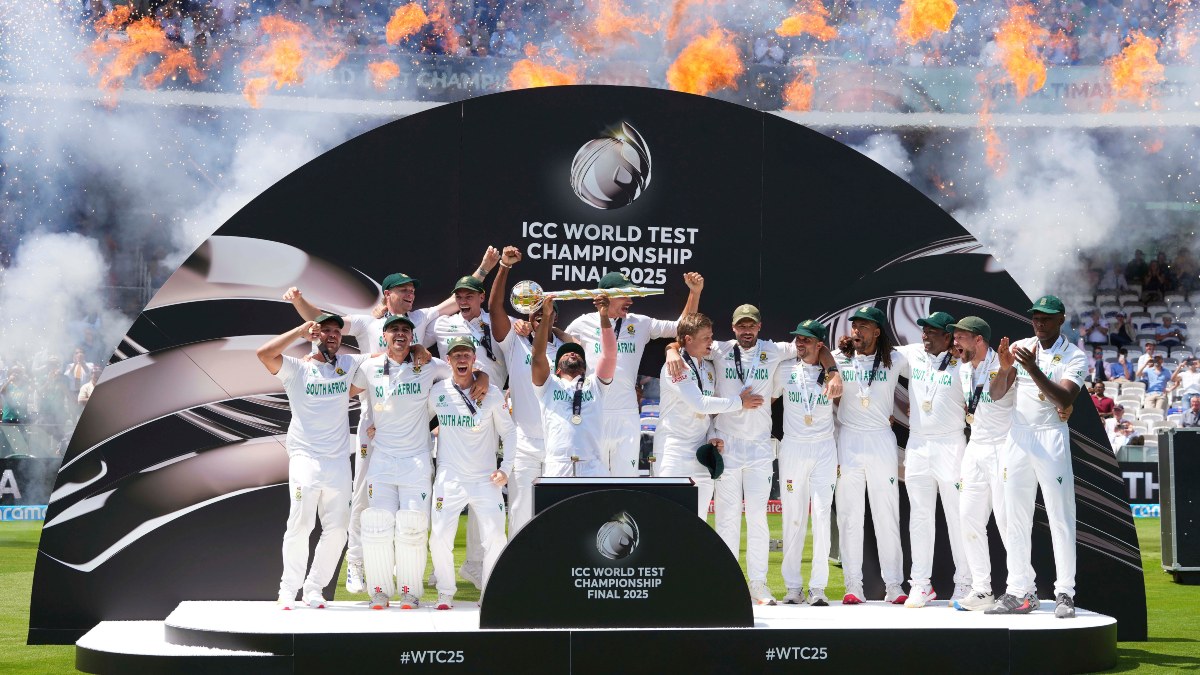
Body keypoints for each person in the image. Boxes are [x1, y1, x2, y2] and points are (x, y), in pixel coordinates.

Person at [284, 248, 497, 595]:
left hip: (413, 415)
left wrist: (485, 268)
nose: (411, 294)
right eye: (404, 290)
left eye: (413, 290)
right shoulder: (369, 322)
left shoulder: (423, 318)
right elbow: (324, 321)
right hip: (374, 419)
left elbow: (454, 301)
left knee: (412, 504)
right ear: (388, 295)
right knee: (363, 498)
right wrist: (299, 302)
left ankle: (403, 568)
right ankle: (356, 563)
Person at [674, 304, 841, 606]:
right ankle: (726, 581)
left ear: (760, 327)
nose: (746, 331)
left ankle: (758, 585)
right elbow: (682, 342)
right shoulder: (720, 349)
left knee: (757, 518)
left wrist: (831, 370)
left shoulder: (775, 350)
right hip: (727, 443)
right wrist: (672, 352)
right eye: (741, 326)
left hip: (761, 448)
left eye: (751, 325)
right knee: (725, 518)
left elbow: (819, 345)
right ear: (734, 327)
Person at [256, 314, 368, 609]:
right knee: (301, 523)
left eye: (336, 331)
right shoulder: (296, 368)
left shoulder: (348, 365)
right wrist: (299, 331)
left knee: (337, 529)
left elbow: (388, 357)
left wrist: (419, 351)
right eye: (325, 330)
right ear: (314, 334)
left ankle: (315, 587)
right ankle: (287, 590)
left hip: (338, 461)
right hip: (306, 457)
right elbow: (264, 354)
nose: (332, 335)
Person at [351, 315, 462, 610]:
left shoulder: (429, 365)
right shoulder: (371, 367)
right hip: (382, 459)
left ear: (413, 337)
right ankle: (379, 591)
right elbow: (345, 390)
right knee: (377, 528)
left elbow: (463, 374)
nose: (400, 334)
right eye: (394, 330)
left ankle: (410, 592)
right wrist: (369, 423)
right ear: (384, 336)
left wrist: (486, 378)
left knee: (412, 529)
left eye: (405, 330)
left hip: (416, 460)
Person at [985, 295, 1085, 619]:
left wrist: (1033, 368)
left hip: (1050, 435)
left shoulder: (1075, 356)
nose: (1039, 323)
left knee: (1060, 516)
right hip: (1018, 436)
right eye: (1035, 318)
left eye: (1046, 318)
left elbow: (1065, 396)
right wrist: (1004, 368)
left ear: (1061, 319)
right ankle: (1020, 591)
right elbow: (997, 394)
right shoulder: (1020, 347)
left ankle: (1065, 593)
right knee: (1013, 515)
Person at [564, 271, 701, 477]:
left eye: (631, 295)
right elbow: (558, 350)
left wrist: (694, 293)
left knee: (626, 478)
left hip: (627, 414)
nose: (630, 300)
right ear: (605, 296)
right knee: (590, 480)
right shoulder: (581, 323)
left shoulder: (641, 323)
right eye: (624, 295)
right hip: (593, 412)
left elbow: (680, 328)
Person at [426, 272, 509, 592]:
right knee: (450, 496)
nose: (463, 300)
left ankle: (476, 564)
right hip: (454, 402)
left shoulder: (496, 322)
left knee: (484, 489)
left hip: (490, 406)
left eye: (469, 295)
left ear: (481, 298)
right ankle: (440, 569)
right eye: (458, 295)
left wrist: (487, 379)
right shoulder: (443, 324)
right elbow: (416, 332)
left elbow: (512, 350)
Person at [487, 246, 576, 534]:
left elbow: (579, 348)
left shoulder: (567, 350)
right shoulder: (515, 340)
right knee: (520, 512)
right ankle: (516, 574)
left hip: (557, 443)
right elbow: (494, 309)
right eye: (535, 313)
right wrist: (504, 266)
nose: (539, 317)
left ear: (554, 317)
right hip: (524, 443)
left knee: (557, 514)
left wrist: (555, 329)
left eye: (546, 313)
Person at [833, 305, 909, 605]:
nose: (857, 330)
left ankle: (894, 586)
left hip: (881, 439)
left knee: (886, 514)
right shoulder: (838, 358)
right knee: (851, 515)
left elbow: (928, 368)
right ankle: (853, 585)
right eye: (855, 326)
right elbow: (819, 358)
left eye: (864, 326)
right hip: (849, 439)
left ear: (877, 331)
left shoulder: (895, 359)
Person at [656, 313, 762, 519]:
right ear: (688, 339)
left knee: (700, 521)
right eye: (706, 338)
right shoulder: (675, 366)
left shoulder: (708, 367)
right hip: (674, 451)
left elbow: (708, 415)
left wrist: (712, 435)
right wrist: (740, 402)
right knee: (669, 520)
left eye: (711, 337)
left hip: (702, 452)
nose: (711, 343)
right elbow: (700, 404)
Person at [898, 311, 970, 607]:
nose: (925, 336)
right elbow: (876, 352)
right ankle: (920, 584)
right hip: (917, 444)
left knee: (958, 516)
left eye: (932, 332)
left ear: (948, 335)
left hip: (951, 444)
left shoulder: (963, 362)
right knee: (919, 517)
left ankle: (965, 583)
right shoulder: (913, 353)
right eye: (923, 331)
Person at [948, 317, 1015, 611]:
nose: (955, 343)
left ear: (978, 340)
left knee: (1006, 520)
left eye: (960, 337)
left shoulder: (1004, 363)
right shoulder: (964, 369)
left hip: (1003, 448)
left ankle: (1023, 588)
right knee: (968, 518)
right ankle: (981, 589)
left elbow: (1008, 394)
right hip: (975, 448)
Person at [773, 319, 839, 607]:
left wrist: (833, 369)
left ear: (819, 344)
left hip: (825, 449)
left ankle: (818, 588)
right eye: (798, 339)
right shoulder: (785, 369)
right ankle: (792, 587)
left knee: (822, 516)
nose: (800, 344)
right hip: (793, 448)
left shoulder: (834, 373)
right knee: (793, 517)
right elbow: (767, 398)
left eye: (807, 340)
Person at [533, 293, 616, 477]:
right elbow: (538, 356)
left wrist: (604, 316)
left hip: (593, 466)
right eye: (565, 354)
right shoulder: (548, 385)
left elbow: (609, 355)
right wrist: (546, 317)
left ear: (585, 367)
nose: (572, 354)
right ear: (556, 369)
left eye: (577, 353)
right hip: (557, 466)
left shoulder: (595, 384)